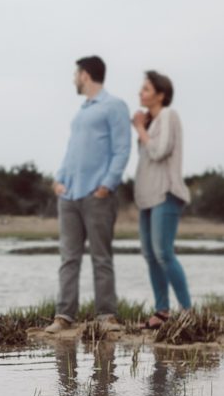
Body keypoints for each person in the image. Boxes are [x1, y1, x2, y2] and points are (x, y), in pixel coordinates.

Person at [45, 56, 132, 334]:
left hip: (98, 196)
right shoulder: (81, 111)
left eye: (75, 74)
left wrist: (107, 185)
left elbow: (122, 149)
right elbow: (72, 151)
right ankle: (64, 316)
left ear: (85, 75)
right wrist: (59, 180)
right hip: (69, 196)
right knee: (68, 258)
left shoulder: (114, 106)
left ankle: (107, 316)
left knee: (101, 258)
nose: (73, 79)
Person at [131, 70, 191, 328]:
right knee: (150, 255)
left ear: (160, 94)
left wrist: (140, 129)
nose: (140, 93)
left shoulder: (168, 115)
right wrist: (143, 128)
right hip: (146, 198)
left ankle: (188, 312)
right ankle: (162, 311)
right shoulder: (151, 122)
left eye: (145, 89)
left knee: (164, 253)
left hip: (166, 193)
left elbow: (159, 151)